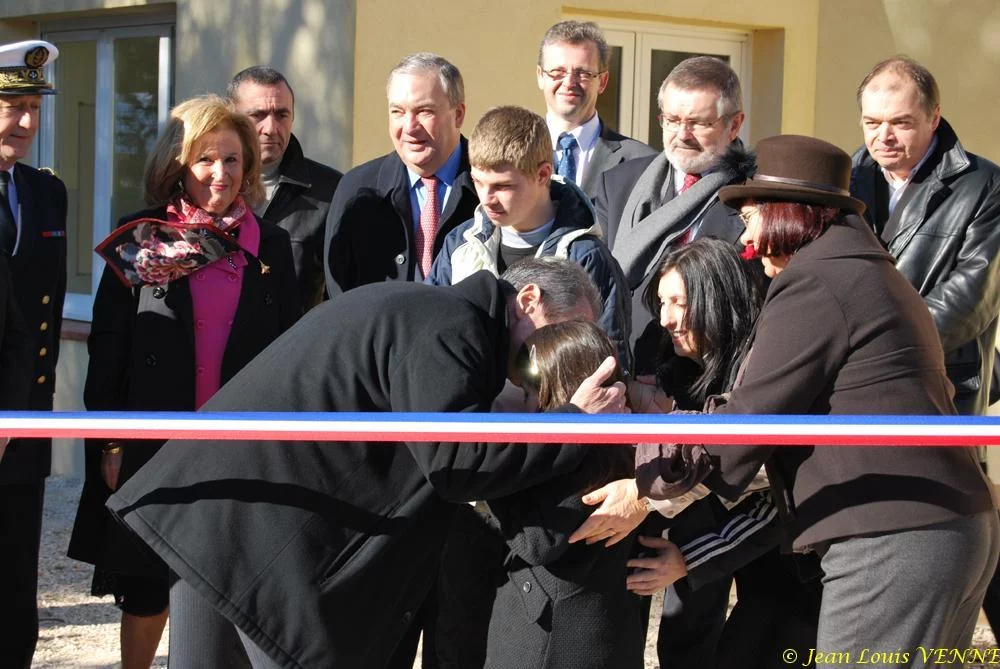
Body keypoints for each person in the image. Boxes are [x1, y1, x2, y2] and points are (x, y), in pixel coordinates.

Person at [106, 257, 627, 669]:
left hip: (223, 521)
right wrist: (577, 420)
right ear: (528, 300)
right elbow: (456, 462)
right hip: (254, 538)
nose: (567, 356)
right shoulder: (451, 325)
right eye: (567, 334)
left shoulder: (427, 312)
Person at [637, 134, 999, 661]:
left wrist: (647, 481)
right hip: (942, 531)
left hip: (892, 537)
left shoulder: (817, 280)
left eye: (751, 219)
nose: (747, 241)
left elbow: (750, 421)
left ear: (786, 215)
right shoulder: (867, 271)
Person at [67, 94, 300, 669]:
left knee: (230, 582)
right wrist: (111, 442)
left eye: (233, 160)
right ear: (178, 164)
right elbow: (109, 349)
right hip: (155, 439)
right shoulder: (141, 239)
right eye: (205, 160)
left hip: (238, 446)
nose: (221, 175)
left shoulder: (269, 245)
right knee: (146, 582)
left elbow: (288, 349)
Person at [485, 320, 646, 669]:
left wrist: (489, 480)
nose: (523, 405)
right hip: (600, 625)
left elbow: (537, 541)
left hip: (553, 637)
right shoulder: (625, 442)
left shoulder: (583, 456)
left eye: (530, 394)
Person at [851, 56, 1000, 418]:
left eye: (900, 123)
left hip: (940, 391)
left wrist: (878, 347)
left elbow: (971, 300)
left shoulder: (985, 185)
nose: (883, 136)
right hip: (854, 390)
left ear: (934, 118)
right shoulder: (848, 180)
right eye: (872, 122)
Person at [427, 104, 631, 368]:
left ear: (543, 174)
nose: (486, 199)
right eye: (478, 182)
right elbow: (428, 333)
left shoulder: (585, 257)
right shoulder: (460, 244)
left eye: (503, 186)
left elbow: (610, 360)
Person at [594, 56, 754, 375]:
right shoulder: (618, 185)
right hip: (629, 374)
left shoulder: (756, 196)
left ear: (734, 124)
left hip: (714, 380)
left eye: (699, 123)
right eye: (672, 119)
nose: (682, 134)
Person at [0, 39, 67, 668]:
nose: (25, 122)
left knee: (16, 577)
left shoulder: (47, 193)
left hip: (27, 413)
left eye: (34, 108)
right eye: (11, 104)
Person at [324, 52, 479, 296]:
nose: (409, 127)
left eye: (425, 111)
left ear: (458, 114)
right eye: (398, 112)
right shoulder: (356, 188)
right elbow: (340, 296)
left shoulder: (492, 185)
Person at [228, 65, 343, 311]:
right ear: (232, 117)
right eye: (257, 115)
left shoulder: (331, 192)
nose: (271, 129)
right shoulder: (206, 188)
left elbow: (343, 295)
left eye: (281, 115)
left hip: (299, 345)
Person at [537, 20, 655, 197]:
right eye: (557, 72)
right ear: (540, 76)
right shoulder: (510, 153)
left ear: (603, 81)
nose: (569, 83)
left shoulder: (642, 162)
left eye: (583, 73)